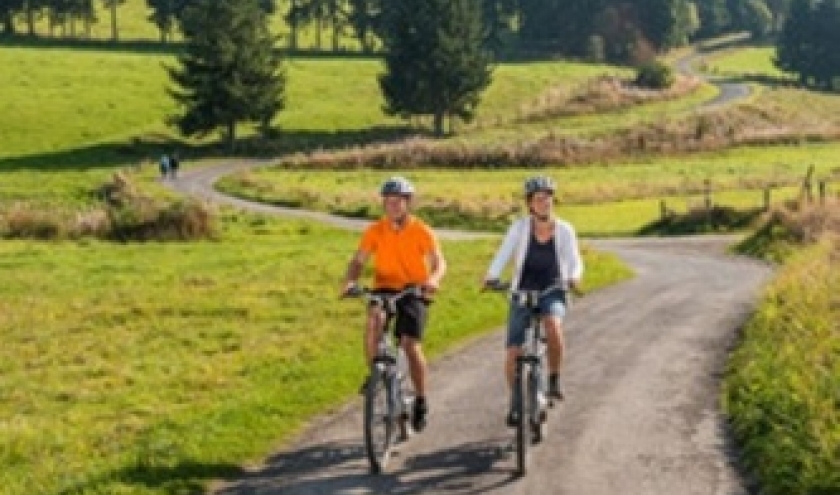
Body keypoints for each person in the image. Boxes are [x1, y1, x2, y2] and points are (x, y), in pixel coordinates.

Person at [341, 176, 447, 433]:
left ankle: (421, 399)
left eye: (397, 202)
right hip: (384, 287)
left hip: (413, 289)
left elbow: (439, 262)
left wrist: (432, 280)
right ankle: (375, 375)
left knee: (410, 344)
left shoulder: (421, 230)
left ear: (407, 203)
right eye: (388, 202)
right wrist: (350, 281)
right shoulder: (375, 230)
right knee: (374, 322)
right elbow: (358, 260)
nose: (392, 207)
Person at [483, 175, 583, 426]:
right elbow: (503, 253)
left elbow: (575, 260)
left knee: (553, 324)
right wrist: (492, 276)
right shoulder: (519, 228)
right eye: (539, 198)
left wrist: (573, 278)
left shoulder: (565, 230)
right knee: (513, 351)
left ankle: (553, 379)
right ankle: (516, 400)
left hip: (553, 289)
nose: (544, 202)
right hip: (522, 292)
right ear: (530, 204)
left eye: (548, 198)